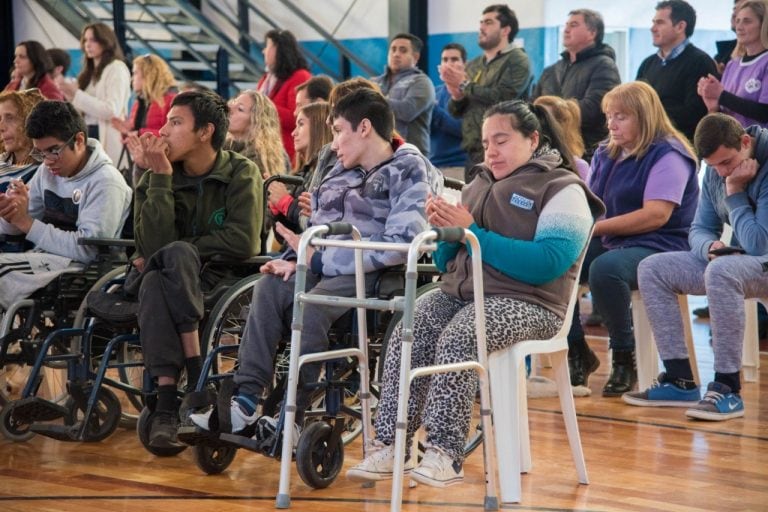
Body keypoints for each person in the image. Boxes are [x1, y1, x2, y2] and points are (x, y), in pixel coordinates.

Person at [346, 99, 603, 487]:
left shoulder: (562, 188)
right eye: (486, 143)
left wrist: (473, 233)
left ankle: (445, 453)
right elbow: (451, 259)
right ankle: (392, 443)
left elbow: (547, 263)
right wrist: (445, 232)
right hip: (464, 292)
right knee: (407, 331)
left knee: (461, 336)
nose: (491, 151)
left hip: (531, 302)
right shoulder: (479, 181)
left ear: (533, 139)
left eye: (501, 140)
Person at [189, 87, 442, 435]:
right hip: (327, 265)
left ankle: (290, 412)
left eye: (338, 131)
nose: (334, 143)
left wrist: (319, 260)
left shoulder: (409, 169)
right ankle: (245, 401)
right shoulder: (340, 169)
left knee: (311, 306)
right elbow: (319, 230)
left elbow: (400, 244)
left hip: (374, 273)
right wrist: (295, 258)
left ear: (364, 128)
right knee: (269, 287)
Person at [124, 89, 263, 449]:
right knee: (159, 275)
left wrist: (182, 250)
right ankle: (193, 379)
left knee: (168, 264)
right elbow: (152, 249)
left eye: (176, 122)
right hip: (173, 282)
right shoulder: (155, 177)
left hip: (223, 279)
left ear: (205, 132)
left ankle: (167, 407)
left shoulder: (241, 171)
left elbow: (244, 241)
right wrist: (161, 179)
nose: (164, 131)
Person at [626, 112, 768, 421]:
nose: (720, 172)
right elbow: (700, 228)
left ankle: (728, 388)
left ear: (745, 142)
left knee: (721, 271)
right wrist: (710, 247)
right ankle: (680, 380)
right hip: (738, 260)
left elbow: (760, 244)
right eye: (713, 166)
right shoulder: (717, 169)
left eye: (726, 163)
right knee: (653, 268)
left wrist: (735, 193)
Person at [567, 81, 700, 396]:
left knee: (605, 269)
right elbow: (594, 204)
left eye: (621, 116)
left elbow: (657, 215)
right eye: (609, 115)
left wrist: (595, 229)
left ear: (645, 117)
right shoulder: (605, 151)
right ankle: (576, 351)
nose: (611, 123)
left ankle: (625, 358)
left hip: (663, 244)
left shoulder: (669, 153)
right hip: (616, 237)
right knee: (560, 257)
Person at [0, 100, 131, 309]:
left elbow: (88, 250)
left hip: (85, 269)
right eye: (40, 153)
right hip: (46, 259)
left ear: (78, 140)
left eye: (53, 150)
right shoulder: (46, 171)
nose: (47, 160)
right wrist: (9, 213)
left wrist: (27, 223)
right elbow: (17, 225)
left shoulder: (106, 181)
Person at [441, 4, 533, 180]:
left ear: (506, 30)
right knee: (471, 206)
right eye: (481, 22)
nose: (481, 27)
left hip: (504, 152)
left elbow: (504, 98)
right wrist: (456, 95)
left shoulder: (517, 59)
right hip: (473, 151)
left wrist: (464, 85)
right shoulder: (475, 64)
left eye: (488, 22)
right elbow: (456, 111)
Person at [533, 8, 621, 160]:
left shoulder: (604, 66)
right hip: (549, 149)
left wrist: (549, 114)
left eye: (574, 25)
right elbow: (533, 105)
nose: (566, 29)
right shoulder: (551, 70)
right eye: (566, 25)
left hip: (587, 151)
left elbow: (596, 107)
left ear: (592, 33)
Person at [636, 1, 718, 141]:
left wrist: (649, 114)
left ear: (680, 26)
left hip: (679, 148)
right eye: (653, 22)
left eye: (660, 23)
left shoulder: (700, 63)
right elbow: (635, 102)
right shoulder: (647, 63)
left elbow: (695, 114)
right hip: (645, 143)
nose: (652, 28)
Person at [60, 23, 131, 165]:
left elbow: (111, 110)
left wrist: (77, 95)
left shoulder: (116, 68)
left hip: (106, 136)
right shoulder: (89, 72)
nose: (88, 44)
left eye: (93, 40)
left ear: (106, 41)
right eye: (85, 40)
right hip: (87, 133)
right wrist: (70, 96)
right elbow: (84, 109)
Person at [697, 0, 768, 128]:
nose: (739, 27)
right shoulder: (732, 65)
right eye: (738, 21)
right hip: (732, 145)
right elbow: (726, 114)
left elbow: (764, 112)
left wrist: (721, 95)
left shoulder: (765, 62)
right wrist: (713, 106)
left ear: (763, 25)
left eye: (747, 21)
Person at [267, 101, 332, 235]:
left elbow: (314, 225)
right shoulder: (303, 172)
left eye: (301, 124)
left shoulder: (329, 170)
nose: (293, 133)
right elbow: (284, 238)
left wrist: (287, 203)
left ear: (318, 128)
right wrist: (278, 210)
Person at [372, 33, 435, 156]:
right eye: (393, 49)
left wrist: (372, 99)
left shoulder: (421, 82)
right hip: (378, 151)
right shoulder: (375, 82)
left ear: (415, 57)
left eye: (403, 50)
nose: (396, 54)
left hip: (411, 153)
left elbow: (407, 111)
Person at [257, 29, 312, 164]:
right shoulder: (266, 79)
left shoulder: (300, 77)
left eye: (267, 46)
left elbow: (298, 117)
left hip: (289, 153)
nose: (263, 51)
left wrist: (263, 105)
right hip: (268, 150)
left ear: (278, 50)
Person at [224, 90, 290, 176]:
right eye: (233, 103)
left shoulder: (257, 159)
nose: (229, 108)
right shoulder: (222, 147)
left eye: (240, 109)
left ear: (256, 123)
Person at [111, 54, 177, 138]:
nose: (132, 78)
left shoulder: (171, 100)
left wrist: (139, 134)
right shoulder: (139, 102)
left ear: (148, 75)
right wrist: (128, 131)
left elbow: (171, 134)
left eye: (135, 73)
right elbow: (135, 133)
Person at [430, 43, 468, 179]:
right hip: (432, 166)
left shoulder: (471, 93)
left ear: (465, 64)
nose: (448, 64)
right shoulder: (433, 92)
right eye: (445, 60)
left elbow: (464, 129)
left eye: (454, 59)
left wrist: (434, 111)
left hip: (458, 166)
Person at [533, 95, 589, 181]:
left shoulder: (578, 166)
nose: (535, 122)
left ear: (560, 126)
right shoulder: (521, 158)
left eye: (543, 118)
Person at [0, 89, 45, 192]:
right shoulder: (2, 159)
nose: (1, 127)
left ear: (29, 120)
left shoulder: (46, 168)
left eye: (9, 118)